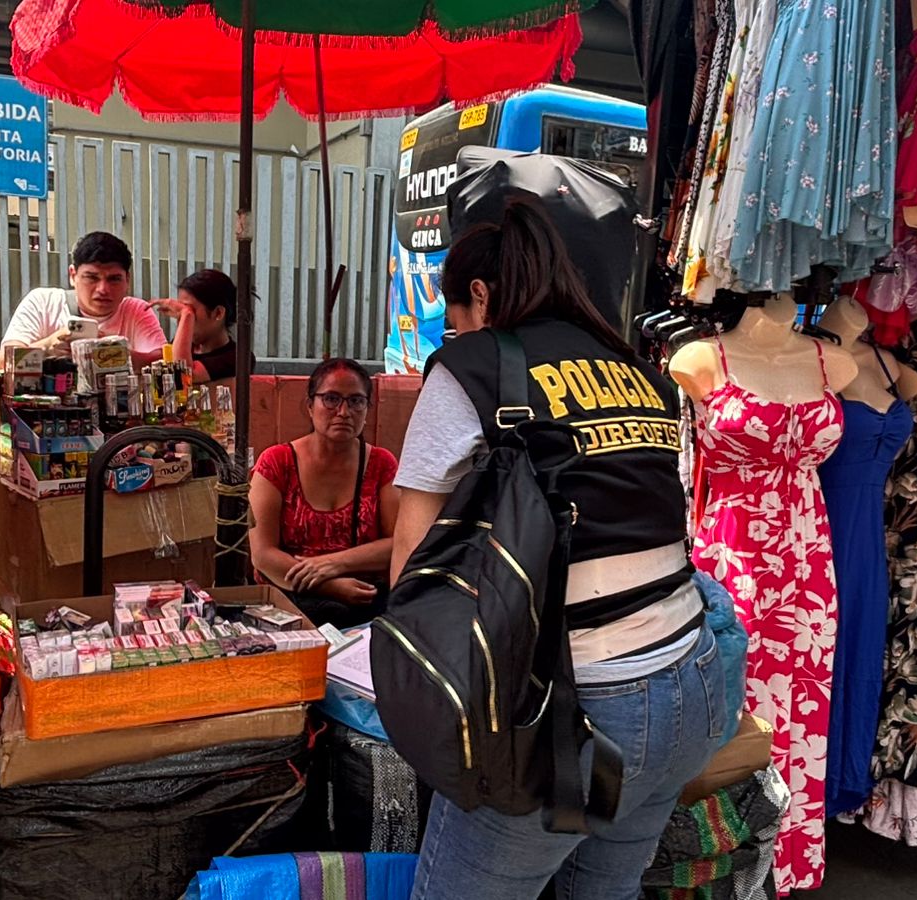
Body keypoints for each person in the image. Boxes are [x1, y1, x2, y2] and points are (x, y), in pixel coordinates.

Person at [389, 200, 723, 900]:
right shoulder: (639, 373)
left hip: (571, 716)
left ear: (479, 296)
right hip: (696, 685)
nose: (455, 333)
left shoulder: (471, 367)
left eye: (456, 317)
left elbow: (411, 576)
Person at [248, 358, 397, 628]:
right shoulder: (277, 462)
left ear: (367, 409)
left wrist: (332, 563)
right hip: (290, 601)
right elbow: (263, 554)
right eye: (331, 399)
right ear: (309, 405)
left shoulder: (382, 464)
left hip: (365, 599)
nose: (343, 412)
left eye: (356, 401)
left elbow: (398, 542)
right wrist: (330, 585)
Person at [0, 231, 168, 368]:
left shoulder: (136, 310)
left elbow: (164, 361)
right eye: (92, 278)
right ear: (73, 275)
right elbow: (4, 362)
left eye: (114, 279)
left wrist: (116, 355)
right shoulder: (42, 303)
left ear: (128, 280)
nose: (103, 289)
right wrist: (47, 347)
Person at [151, 269, 255, 383]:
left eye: (190, 310)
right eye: (180, 310)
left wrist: (186, 315)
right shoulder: (185, 346)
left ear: (218, 313)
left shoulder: (239, 358)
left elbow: (183, 376)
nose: (183, 321)